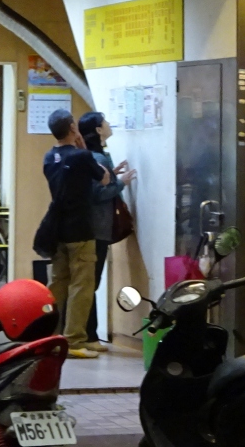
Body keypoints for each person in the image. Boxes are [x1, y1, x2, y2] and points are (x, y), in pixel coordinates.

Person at [42, 109, 109, 358]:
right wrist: (83, 148)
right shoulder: (82, 156)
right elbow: (104, 178)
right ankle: (74, 340)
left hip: (56, 228)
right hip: (80, 228)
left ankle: (51, 336)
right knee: (82, 285)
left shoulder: (49, 157)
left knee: (58, 283)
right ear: (73, 128)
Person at [77, 112, 135, 352]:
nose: (109, 124)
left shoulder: (95, 156)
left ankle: (86, 333)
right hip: (98, 227)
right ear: (98, 130)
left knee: (89, 282)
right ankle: (88, 335)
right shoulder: (97, 157)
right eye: (105, 122)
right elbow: (98, 194)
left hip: (95, 227)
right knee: (90, 283)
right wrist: (122, 182)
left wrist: (114, 174)